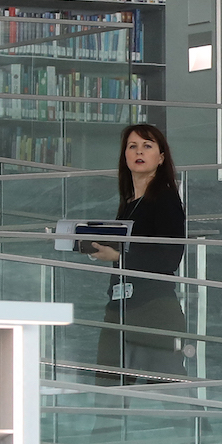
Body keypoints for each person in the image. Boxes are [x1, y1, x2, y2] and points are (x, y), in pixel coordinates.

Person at [90, 123, 188, 384]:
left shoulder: (165, 199)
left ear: (161, 157)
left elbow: (169, 258)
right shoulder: (129, 203)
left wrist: (118, 257)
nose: (138, 152)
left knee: (170, 391)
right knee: (108, 390)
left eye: (147, 146)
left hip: (154, 309)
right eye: (132, 146)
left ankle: (196, 427)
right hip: (119, 306)